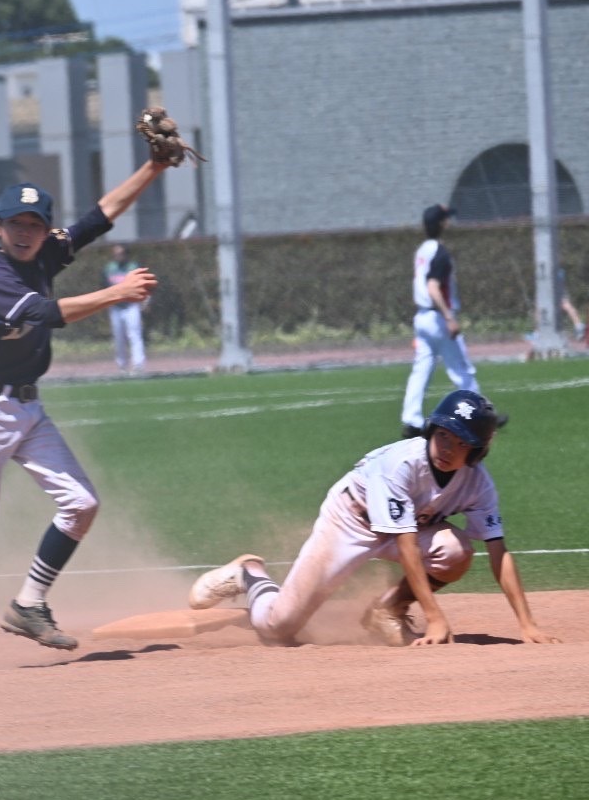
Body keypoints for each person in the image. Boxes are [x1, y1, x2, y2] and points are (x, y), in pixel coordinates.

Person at [0, 160, 168, 673]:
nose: (25, 233)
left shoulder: (43, 255)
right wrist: (116, 294)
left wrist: (155, 166)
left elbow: (100, 216)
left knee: (81, 504)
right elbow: (45, 314)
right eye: (15, 224)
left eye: (34, 225)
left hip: (26, 407)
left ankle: (28, 605)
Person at [188, 390, 560, 648]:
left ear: (477, 451)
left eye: (461, 443)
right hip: (349, 521)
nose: (448, 448)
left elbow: (498, 551)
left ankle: (387, 609)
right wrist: (435, 617)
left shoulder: (477, 483)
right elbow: (406, 543)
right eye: (444, 435)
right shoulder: (400, 465)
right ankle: (249, 574)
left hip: (410, 527)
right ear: (432, 431)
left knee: (457, 551)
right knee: (278, 628)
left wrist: (526, 624)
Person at [399, 204, 506, 438]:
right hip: (438, 317)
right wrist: (449, 317)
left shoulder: (422, 250)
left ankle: (411, 419)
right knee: (462, 369)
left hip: (422, 316)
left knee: (422, 369)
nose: (449, 222)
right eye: (446, 219)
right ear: (442, 224)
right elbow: (433, 286)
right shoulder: (440, 252)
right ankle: (485, 416)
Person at [103, 244, 147, 373]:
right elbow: (104, 286)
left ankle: (138, 364)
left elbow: (143, 285)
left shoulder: (133, 267)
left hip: (131, 305)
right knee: (118, 336)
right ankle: (122, 365)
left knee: (134, 334)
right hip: (115, 306)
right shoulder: (109, 268)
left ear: (126, 254)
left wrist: (144, 301)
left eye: (120, 253)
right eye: (116, 254)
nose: (118, 256)